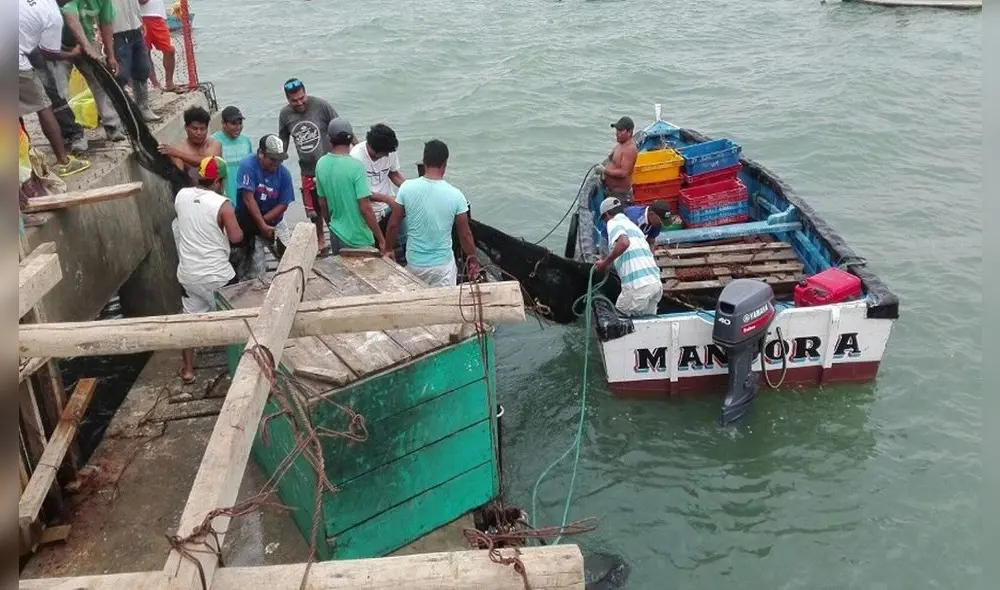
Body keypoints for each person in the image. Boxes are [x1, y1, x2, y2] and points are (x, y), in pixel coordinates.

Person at [173, 156, 243, 383]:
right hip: (218, 277)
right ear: (220, 181)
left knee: (189, 321)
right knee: (235, 322)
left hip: (188, 275)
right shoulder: (223, 204)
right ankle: (240, 369)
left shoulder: (181, 196)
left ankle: (188, 370)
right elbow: (236, 237)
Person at [385, 139, 480, 286]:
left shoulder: (406, 188)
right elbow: (465, 235)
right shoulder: (456, 195)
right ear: (445, 163)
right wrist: (473, 259)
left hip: (415, 265)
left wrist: (388, 249)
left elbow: (393, 225)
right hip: (443, 268)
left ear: (424, 161)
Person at [19, 0, 90, 177]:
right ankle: (63, 162)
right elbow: (49, 53)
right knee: (44, 106)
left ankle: (23, 161)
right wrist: (72, 53)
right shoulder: (53, 15)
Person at [277, 78, 338, 249]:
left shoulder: (321, 106)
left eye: (301, 98)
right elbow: (283, 139)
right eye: (294, 100)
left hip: (328, 165)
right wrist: (278, 162)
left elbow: (338, 127)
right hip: (307, 168)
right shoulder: (285, 114)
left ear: (305, 93)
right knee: (313, 209)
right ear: (287, 99)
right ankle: (320, 239)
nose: (299, 103)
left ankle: (336, 236)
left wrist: (356, 148)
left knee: (332, 205)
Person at [314, 119, 389, 256]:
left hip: (336, 233)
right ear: (351, 138)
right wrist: (381, 239)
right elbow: (365, 208)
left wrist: (331, 224)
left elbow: (322, 203)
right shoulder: (356, 167)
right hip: (358, 238)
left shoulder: (321, 164)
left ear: (329, 138)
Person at [59, 0, 126, 142]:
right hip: (60, 44)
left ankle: (113, 126)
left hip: (87, 40)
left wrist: (110, 56)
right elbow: (71, 17)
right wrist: (86, 46)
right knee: (59, 90)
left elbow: (106, 24)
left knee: (100, 82)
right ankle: (72, 135)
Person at [233, 134, 295, 277]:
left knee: (290, 257)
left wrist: (265, 222)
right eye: (272, 159)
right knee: (255, 267)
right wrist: (260, 225)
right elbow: (248, 198)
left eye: (280, 160)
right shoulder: (248, 165)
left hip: (274, 220)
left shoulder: (284, 174)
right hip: (249, 222)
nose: (276, 164)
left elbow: (283, 204)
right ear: (261, 154)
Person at [594, 197, 663, 317]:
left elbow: (624, 242)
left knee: (618, 320)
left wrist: (604, 263)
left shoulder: (613, 222)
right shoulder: (634, 226)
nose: (605, 222)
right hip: (656, 285)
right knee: (648, 323)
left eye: (604, 219)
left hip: (637, 287)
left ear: (607, 215)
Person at [110, 0, 160, 121]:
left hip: (135, 26)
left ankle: (143, 107)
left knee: (142, 68)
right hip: (116, 30)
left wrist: (140, 20)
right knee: (121, 73)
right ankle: (119, 111)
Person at [350, 123, 405, 234]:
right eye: (384, 153)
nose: (387, 156)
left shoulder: (389, 151)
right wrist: (386, 199)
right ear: (371, 147)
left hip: (388, 205)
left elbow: (394, 174)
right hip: (367, 208)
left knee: (402, 233)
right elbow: (359, 193)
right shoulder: (356, 157)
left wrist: (409, 188)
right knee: (374, 240)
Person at [159, 106, 221, 183]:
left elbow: (207, 162)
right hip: (193, 189)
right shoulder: (179, 150)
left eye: (202, 129)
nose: (199, 133)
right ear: (186, 127)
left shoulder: (214, 144)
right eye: (194, 129)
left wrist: (178, 154)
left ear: (207, 128)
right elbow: (178, 177)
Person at [210, 106, 253, 204]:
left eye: (240, 123)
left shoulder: (246, 141)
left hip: (245, 198)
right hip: (223, 198)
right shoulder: (213, 141)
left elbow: (251, 169)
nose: (238, 127)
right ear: (223, 123)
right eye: (234, 124)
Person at [600, 200, 674, 249]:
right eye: (660, 220)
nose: (661, 224)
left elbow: (651, 241)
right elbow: (623, 243)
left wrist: (651, 258)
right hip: (609, 238)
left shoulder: (656, 223)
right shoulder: (633, 219)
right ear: (651, 214)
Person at [596, 116, 638, 202]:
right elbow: (611, 160)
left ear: (629, 132)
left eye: (621, 131)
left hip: (621, 195)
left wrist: (605, 171)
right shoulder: (620, 145)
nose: (617, 133)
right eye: (617, 130)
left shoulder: (630, 149)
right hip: (610, 190)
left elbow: (623, 172)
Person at [138, 0, 178, 92]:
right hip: (143, 17)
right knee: (145, 52)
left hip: (158, 16)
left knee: (169, 50)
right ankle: (156, 84)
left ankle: (169, 83)